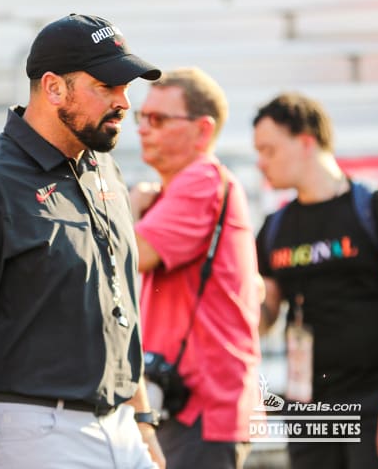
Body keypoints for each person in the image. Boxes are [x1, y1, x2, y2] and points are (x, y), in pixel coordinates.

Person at [0, 13, 166, 469]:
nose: (123, 103)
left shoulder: (104, 168)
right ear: (54, 88)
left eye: (126, 88)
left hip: (120, 424)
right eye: (107, 87)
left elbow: (120, 307)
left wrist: (142, 422)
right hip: (34, 431)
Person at [129, 67, 261, 469]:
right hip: (192, 405)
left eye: (159, 119)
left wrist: (130, 208)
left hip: (201, 408)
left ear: (203, 131)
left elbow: (129, 253)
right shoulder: (186, 186)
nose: (143, 129)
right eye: (141, 118)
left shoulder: (201, 179)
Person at [253, 92, 378, 468]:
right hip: (310, 411)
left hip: (376, 401)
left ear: (306, 141)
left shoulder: (377, 209)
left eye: (269, 150)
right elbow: (264, 316)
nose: (261, 163)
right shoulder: (274, 228)